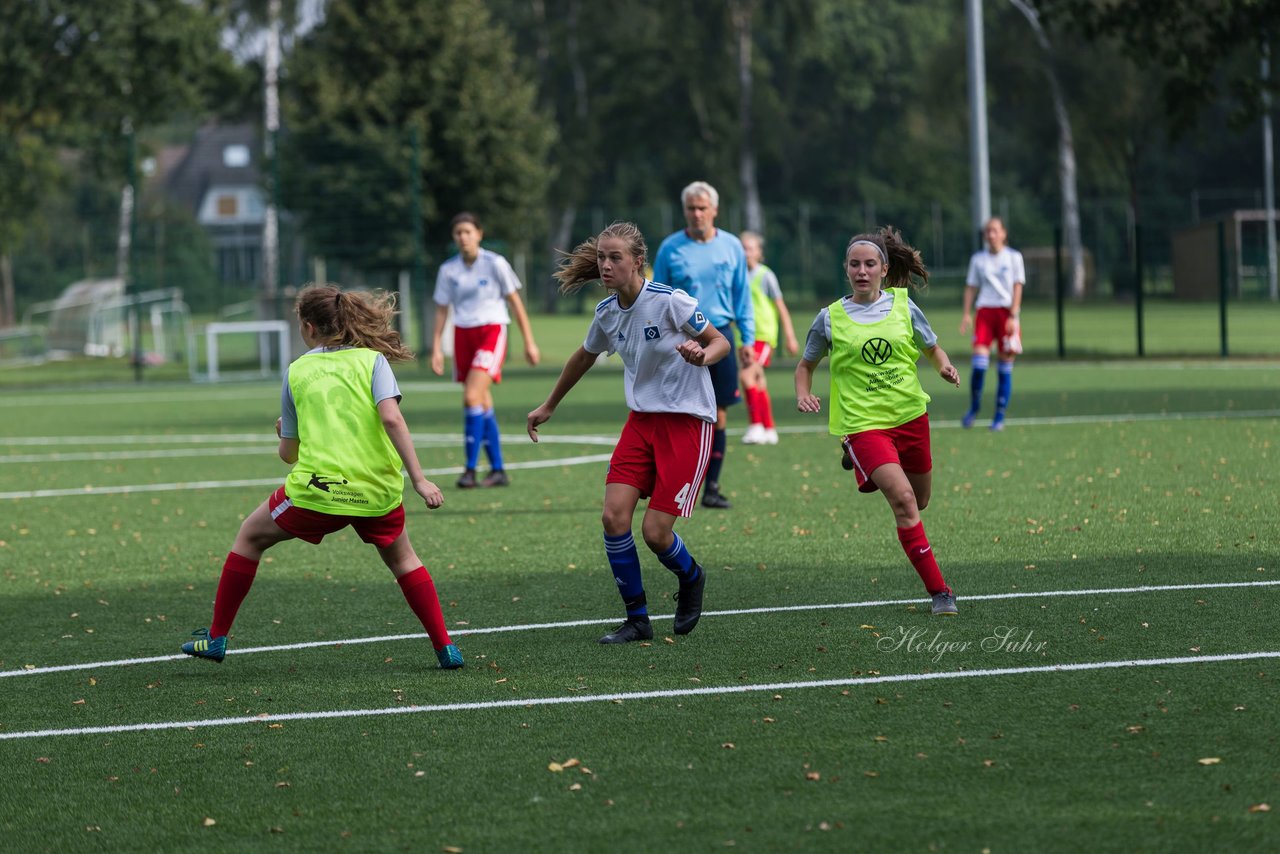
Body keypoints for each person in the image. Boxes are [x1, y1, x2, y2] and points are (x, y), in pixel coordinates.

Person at [182, 284, 464, 669]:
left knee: (249, 536)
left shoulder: (298, 371)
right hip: (376, 492)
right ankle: (445, 647)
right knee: (404, 560)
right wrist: (419, 480)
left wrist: (283, 432)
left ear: (309, 327)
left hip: (317, 492)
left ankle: (216, 638)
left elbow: (288, 455)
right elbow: (391, 417)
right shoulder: (372, 361)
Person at [527, 222, 730, 644]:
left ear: (638, 261)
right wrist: (549, 404)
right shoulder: (606, 313)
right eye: (601, 256)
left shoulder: (671, 302)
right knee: (613, 517)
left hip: (687, 423)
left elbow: (720, 343)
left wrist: (701, 353)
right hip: (641, 424)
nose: (605, 264)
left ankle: (691, 577)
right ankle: (637, 620)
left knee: (656, 533)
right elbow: (582, 358)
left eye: (615, 257)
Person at [794, 227, 961, 616]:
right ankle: (941, 593)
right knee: (903, 501)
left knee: (919, 500)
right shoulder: (829, 318)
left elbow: (932, 349)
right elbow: (806, 366)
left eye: (870, 264)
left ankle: (857, 458)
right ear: (846, 269)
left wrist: (945, 367)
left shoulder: (905, 307)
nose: (862, 271)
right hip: (863, 423)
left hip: (910, 417)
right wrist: (804, 393)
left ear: (884, 269)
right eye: (855, 264)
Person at [652, 181, 753, 509]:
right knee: (676, 411)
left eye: (701, 208)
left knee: (718, 412)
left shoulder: (732, 246)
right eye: (690, 208)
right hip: (682, 339)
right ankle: (671, 483)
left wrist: (747, 339)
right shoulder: (670, 248)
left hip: (720, 335)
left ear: (714, 210)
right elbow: (658, 297)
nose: (696, 214)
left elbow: (742, 296)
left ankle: (711, 486)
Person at [431, 212, 540, 487]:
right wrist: (435, 348)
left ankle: (469, 470)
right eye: (458, 233)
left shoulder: (495, 263)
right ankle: (498, 470)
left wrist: (529, 341)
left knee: (471, 396)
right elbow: (442, 311)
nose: (463, 237)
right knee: (482, 401)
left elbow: (515, 303)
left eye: (468, 231)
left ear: (479, 234)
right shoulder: (448, 270)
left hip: (491, 331)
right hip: (462, 334)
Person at [959, 217, 1025, 431]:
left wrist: (1013, 316)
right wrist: (967, 314)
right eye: (987, 231)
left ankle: (999, 416)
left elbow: (1017, 287)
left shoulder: (1014, 257)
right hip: (985, 313)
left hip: (1006, 314)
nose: (991, 234)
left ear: (1004, 233)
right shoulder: (978, 259)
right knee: (979, 366)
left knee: (1004, 368)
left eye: (995, 230)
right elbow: (970, 287)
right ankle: (974, 407)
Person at [738, 230, 799, 445]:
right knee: (758, 381)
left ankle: (755, 426)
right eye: (742, 248)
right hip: (743, 337)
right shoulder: (737, 275)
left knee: (746, 377)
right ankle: (769, 429)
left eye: (749, 248)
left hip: (762, 335)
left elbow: (780, 307)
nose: (745, 253)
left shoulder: (766, 275)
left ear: (759, 252)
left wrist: (790, 336)